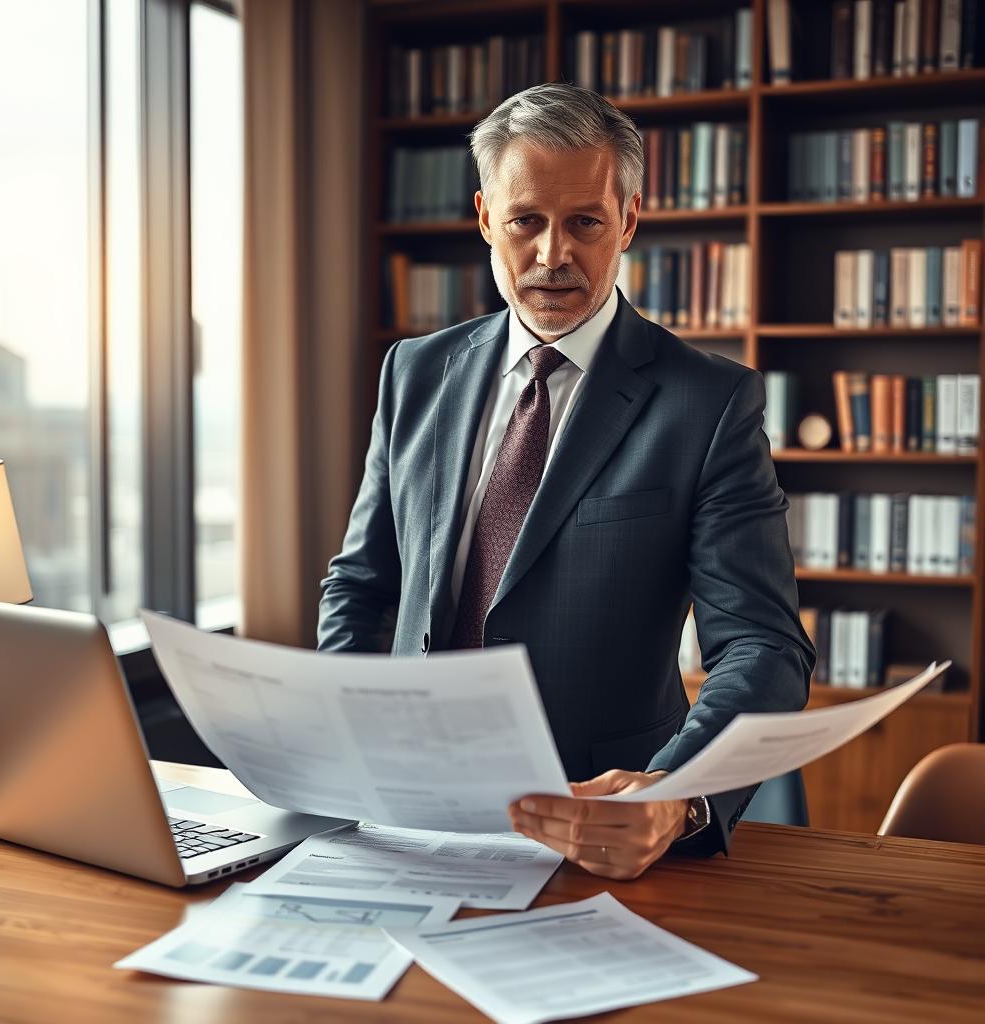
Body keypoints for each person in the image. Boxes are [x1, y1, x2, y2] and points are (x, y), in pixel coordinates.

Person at [318, 83, 815, 879]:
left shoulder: (709, 403)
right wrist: (342, 739)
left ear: (629, 220)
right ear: (485, 218)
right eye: (526, 222)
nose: (553, 254)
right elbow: (361, 582)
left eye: (584, 221)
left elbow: (763, 644)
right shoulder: (414, 372)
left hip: (595, 827)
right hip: (403, 814)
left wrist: (673, 791)